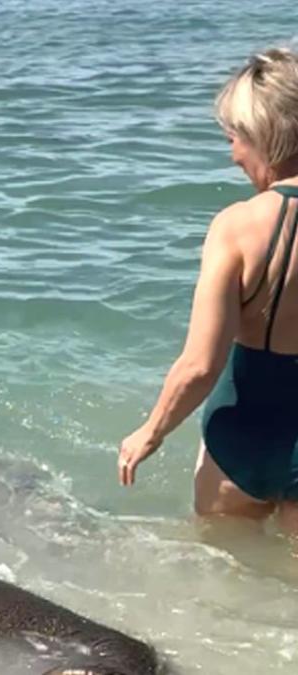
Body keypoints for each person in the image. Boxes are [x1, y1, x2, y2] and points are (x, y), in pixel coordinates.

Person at [118, 47, 298, 535]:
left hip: (239, 436)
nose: (233, 153)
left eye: (235, 138)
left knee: (224, 573)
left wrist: (149, 433)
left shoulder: (236, 228)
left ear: (266, 138)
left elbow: (199, 365)